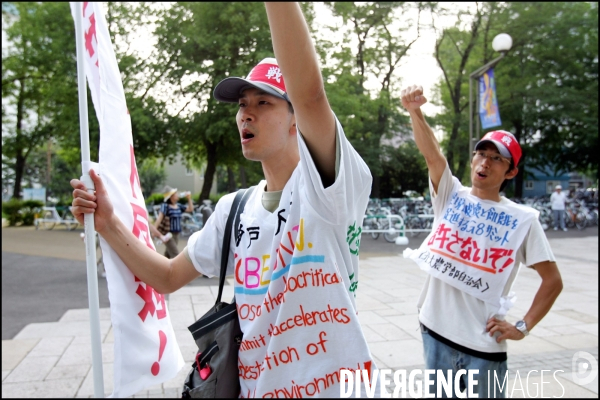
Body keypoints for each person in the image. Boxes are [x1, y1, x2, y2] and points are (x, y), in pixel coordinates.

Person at [70, 3, 376, 397]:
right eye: (241, 104)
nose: (246, 114)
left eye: (263, 103)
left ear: (295, 117)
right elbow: (166, 277)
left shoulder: (330, 188)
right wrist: (109, 224)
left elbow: (311, 94)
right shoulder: (234, 209)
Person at [401, 85, 563, 397]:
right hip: (436, 334)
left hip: (484, 348)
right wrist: (414, 111)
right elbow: (432, 155)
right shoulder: (451, 195)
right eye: (481, 155)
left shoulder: (522, 219)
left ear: (511, 171)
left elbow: (552, 280)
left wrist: (523, 327)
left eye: (496, 159)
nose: (484, 164)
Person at [154, 186, 194, 259]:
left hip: (177, 234)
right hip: (168, 234)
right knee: (175, 254)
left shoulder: (178, 206)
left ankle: (162, 268)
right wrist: (154, 231)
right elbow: (159, 219)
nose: (177, 194)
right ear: (171, 196)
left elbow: (190, 209)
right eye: (175, 193)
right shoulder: (165, 206)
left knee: (168, 254)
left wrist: (189, 198)